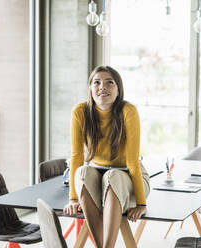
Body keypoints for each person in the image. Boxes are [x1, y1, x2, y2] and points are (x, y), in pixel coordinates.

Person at [63, 65, 150, 247]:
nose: (102, 87)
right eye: (97, 83)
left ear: (118, 90)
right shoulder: (80, 112)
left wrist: (141, 203)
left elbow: (132, 161)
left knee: (114, 176)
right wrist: (73, 198)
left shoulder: (128, 111)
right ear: (91, 89)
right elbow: (77, 156)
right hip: (98, 175)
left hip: (130, 178)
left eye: (109, 83)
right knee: (82, 172)